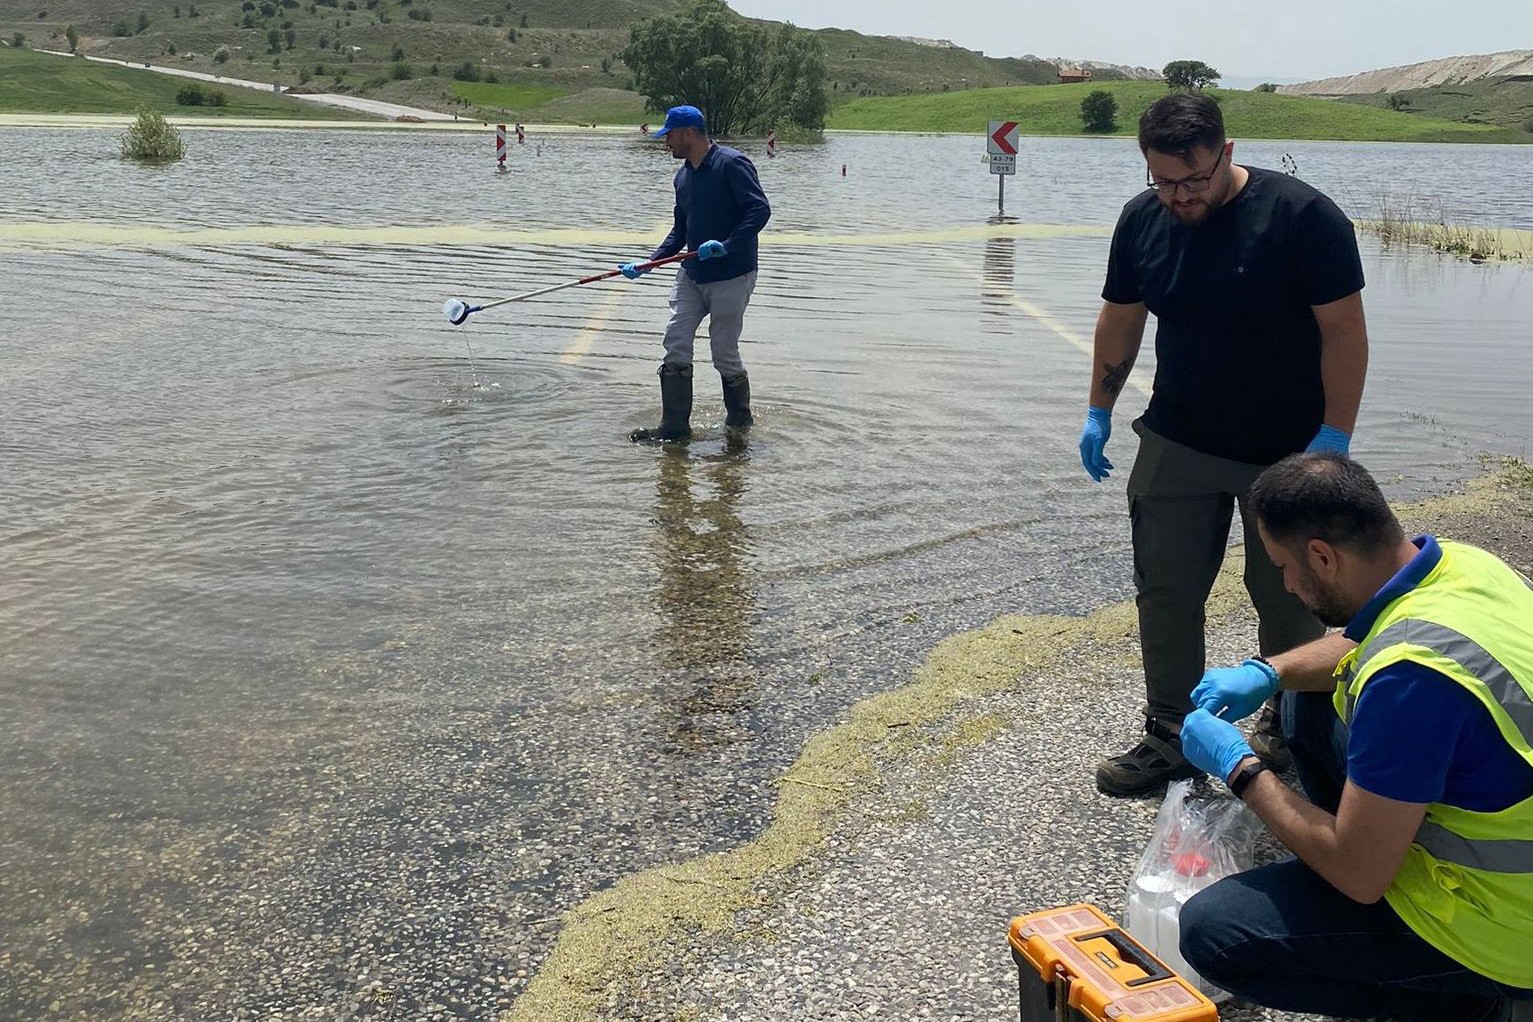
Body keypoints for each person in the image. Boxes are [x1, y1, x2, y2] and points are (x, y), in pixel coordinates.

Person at [1176, 453, 1533, 1022]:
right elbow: (1359, 643)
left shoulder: (1410, 681)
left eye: (1284, 567)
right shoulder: (1465, 566)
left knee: (1215, 934)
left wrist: (1240, 767)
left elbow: (1361, 878)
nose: (1287, 586)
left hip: (1507, 927)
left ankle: (1468, 1004)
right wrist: (1268, 672)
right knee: (1306, 693)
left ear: (1322, 555)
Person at [1082, 92, 1370, 796]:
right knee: (1166, 588)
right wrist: (1097, 410)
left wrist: (1333, 439)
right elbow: (1120, 320)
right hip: (1178, 437)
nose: (1179, 196)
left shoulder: (1302, 217)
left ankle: (1288, 726)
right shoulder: (1140, 220)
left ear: (1226, 153)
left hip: (1289, 448)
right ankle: (1171, 734)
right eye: (1163, 182)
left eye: (1194, 180)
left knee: (1290, 596)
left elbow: (1344, 332)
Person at [620, 105, 771, 444]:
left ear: (688, 132)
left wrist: (728, 245)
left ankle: (738, 425)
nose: (666, 142)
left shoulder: (732, 164)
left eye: (669, 135)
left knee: (723, 350)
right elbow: (680, 231)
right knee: (676, 339)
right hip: (692, 275)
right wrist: (649, 262)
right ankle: (674, 429)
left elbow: (759, 209)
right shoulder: (683, 176)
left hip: (733, 273)